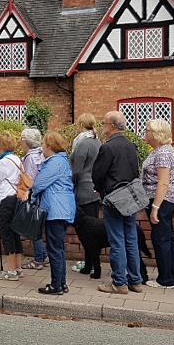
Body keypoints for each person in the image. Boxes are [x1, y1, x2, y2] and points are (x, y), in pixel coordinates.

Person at [92, 111, 143, 294]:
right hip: (130, 198)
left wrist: (101, 189)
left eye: (104, 123)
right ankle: (135, 281)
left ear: (112, 126)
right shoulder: (131, 146)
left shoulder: (108, 148)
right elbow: (135, 172)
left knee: (117, 240)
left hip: (113, 198)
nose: (103, 126)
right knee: (131, 239)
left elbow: (97, 174)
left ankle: (119, 283)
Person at [31, 132, 76, 294]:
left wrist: (30, 194)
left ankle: (56, 285)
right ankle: (61, 283)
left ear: (50, 146)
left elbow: (39, 183)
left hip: (56, 210)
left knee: (54, 249)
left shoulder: (54, 162)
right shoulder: (61, 160)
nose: (42, 147)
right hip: (62, 208)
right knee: (58, 248)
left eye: (43, 144)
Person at [141, 119, 174, 288]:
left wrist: (155, 208)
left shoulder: (163, 153)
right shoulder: (160, 151)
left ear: (157, 133)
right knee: (167, 238)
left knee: (161, 239)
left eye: (148, 130)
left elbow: (163, 182)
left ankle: (165, 279)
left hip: (161, 200)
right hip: (161, 199)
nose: (145, 132)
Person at [0, 131, 23, 281]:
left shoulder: (3, 162)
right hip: (16, 198)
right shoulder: (16, 159)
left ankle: (11, 271)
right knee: (15, 235)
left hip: (5, 200)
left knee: (7, 235)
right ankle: (18, 267)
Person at [70, 113, 102, 273]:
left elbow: (76, 171)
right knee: (94, 230)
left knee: (87, 233)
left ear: (81, 123)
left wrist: (71, 185)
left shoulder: (82, 143)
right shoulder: (98, 142)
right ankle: (92, 264)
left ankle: (89, 265)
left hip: (83, 190)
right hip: (95, 190)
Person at [19, 128, 49, 270]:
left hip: (33, 196)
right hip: (43, 195)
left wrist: (27, 195)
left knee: (33, 228)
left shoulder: (30, 158)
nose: (20, 141)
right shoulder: (41, 154)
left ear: (26, 141)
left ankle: (38, 259)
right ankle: (44, 255)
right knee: (39, 227)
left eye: (21, 139)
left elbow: (30, 180)